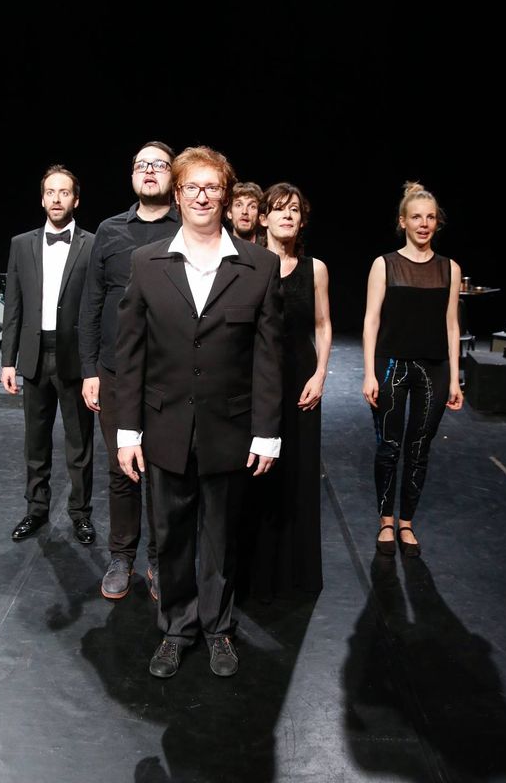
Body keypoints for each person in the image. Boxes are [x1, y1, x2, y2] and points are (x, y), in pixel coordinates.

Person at [115, 145, 283, 679]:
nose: (202, 196)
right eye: (192, 187)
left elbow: (268, 357)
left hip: (229, 429)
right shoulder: (146, 263)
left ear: (226, 195)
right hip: (164, 425)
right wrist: (127, 431)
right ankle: (176, 629)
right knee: (170, 535)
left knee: (220, 538)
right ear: (178, 195)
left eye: (212, 187)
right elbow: (130, 354)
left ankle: (218, 629)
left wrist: (267, 432)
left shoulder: (259, 266)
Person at [78, 141, 180, 602]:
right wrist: (89, 369)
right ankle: (122, 556)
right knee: (122, 468)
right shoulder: (110, 229)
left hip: (169, 373)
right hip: (115, 370)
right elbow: (92, 301)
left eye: (158, 164)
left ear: (173, 175)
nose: (149, 171)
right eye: (141, 165)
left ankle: (159, 559)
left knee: (162, 470)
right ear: (132, 176)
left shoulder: (187, 227)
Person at [239, 182, 331, 602]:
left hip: (300, 380)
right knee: (257, 472)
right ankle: (253, 571)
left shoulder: (316, 269)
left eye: (294, 209)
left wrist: (321, 374)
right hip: (257, 381)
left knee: (298, 472)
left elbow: (322, 325)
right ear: (263, 218)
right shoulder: (248, 263)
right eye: (279, 209)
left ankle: (295, 572)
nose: (287, 215)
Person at [362, 180, 464, 558]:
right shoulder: (385, 264)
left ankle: (406, 522)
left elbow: (452, 325)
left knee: (419, 449)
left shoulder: (449, 268)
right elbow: (371, 320)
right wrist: (368, 373)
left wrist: (455, 379)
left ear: (437, 222)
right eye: (417, 217)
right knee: (389, 447)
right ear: (403, 221)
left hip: (434, 369)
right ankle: (386, 520)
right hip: (391, 365)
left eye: (430, 217)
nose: (424, 224)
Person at [1, 164, 96, 545]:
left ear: (76, 199)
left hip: (75, 357)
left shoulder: (92, 244)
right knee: (35, 442)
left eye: (64, 192)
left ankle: (81, 514)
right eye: (50, 192)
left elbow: (96, 307)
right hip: (34, 356)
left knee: (80, 444)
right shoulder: (21, 244)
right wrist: (7, 360)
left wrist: (94, 365)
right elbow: (13, 305)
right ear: (42, 199)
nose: (57, 199)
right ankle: (36, 509)